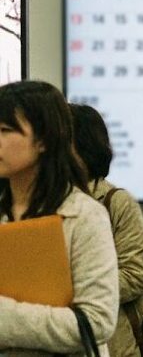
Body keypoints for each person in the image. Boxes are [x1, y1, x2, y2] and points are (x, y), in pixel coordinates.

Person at [0, 81, 118, 355]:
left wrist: (7, 318)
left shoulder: (84, 216)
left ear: (43, 140)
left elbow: (96, 322)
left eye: (5, 130)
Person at [71, 103, 143, 357]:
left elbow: (137, 274)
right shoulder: (45, 203)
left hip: (117, 340)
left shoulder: (116, 201)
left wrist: (71, 289)